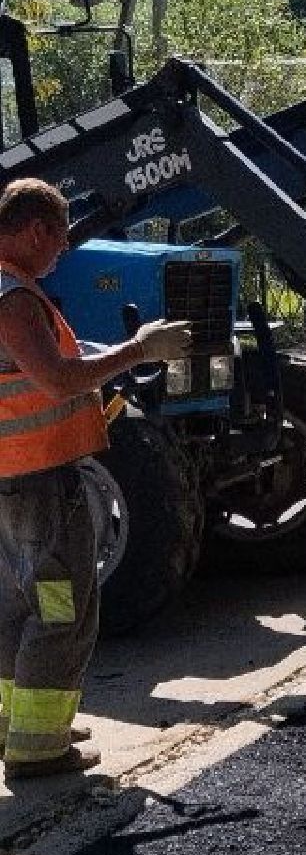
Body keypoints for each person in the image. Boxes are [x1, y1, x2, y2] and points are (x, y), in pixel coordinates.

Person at [0, 178, 191, 779]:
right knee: (62, 608)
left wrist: (96, 353)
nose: (61, 254)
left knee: (15, 605)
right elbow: (57, 380)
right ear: (36, 231)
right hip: (37, 479)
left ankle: (20, 724)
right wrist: (138, 349)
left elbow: (31, 365)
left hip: (11, 479)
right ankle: (38, 749)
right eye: (59, 241)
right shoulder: (13, 297)